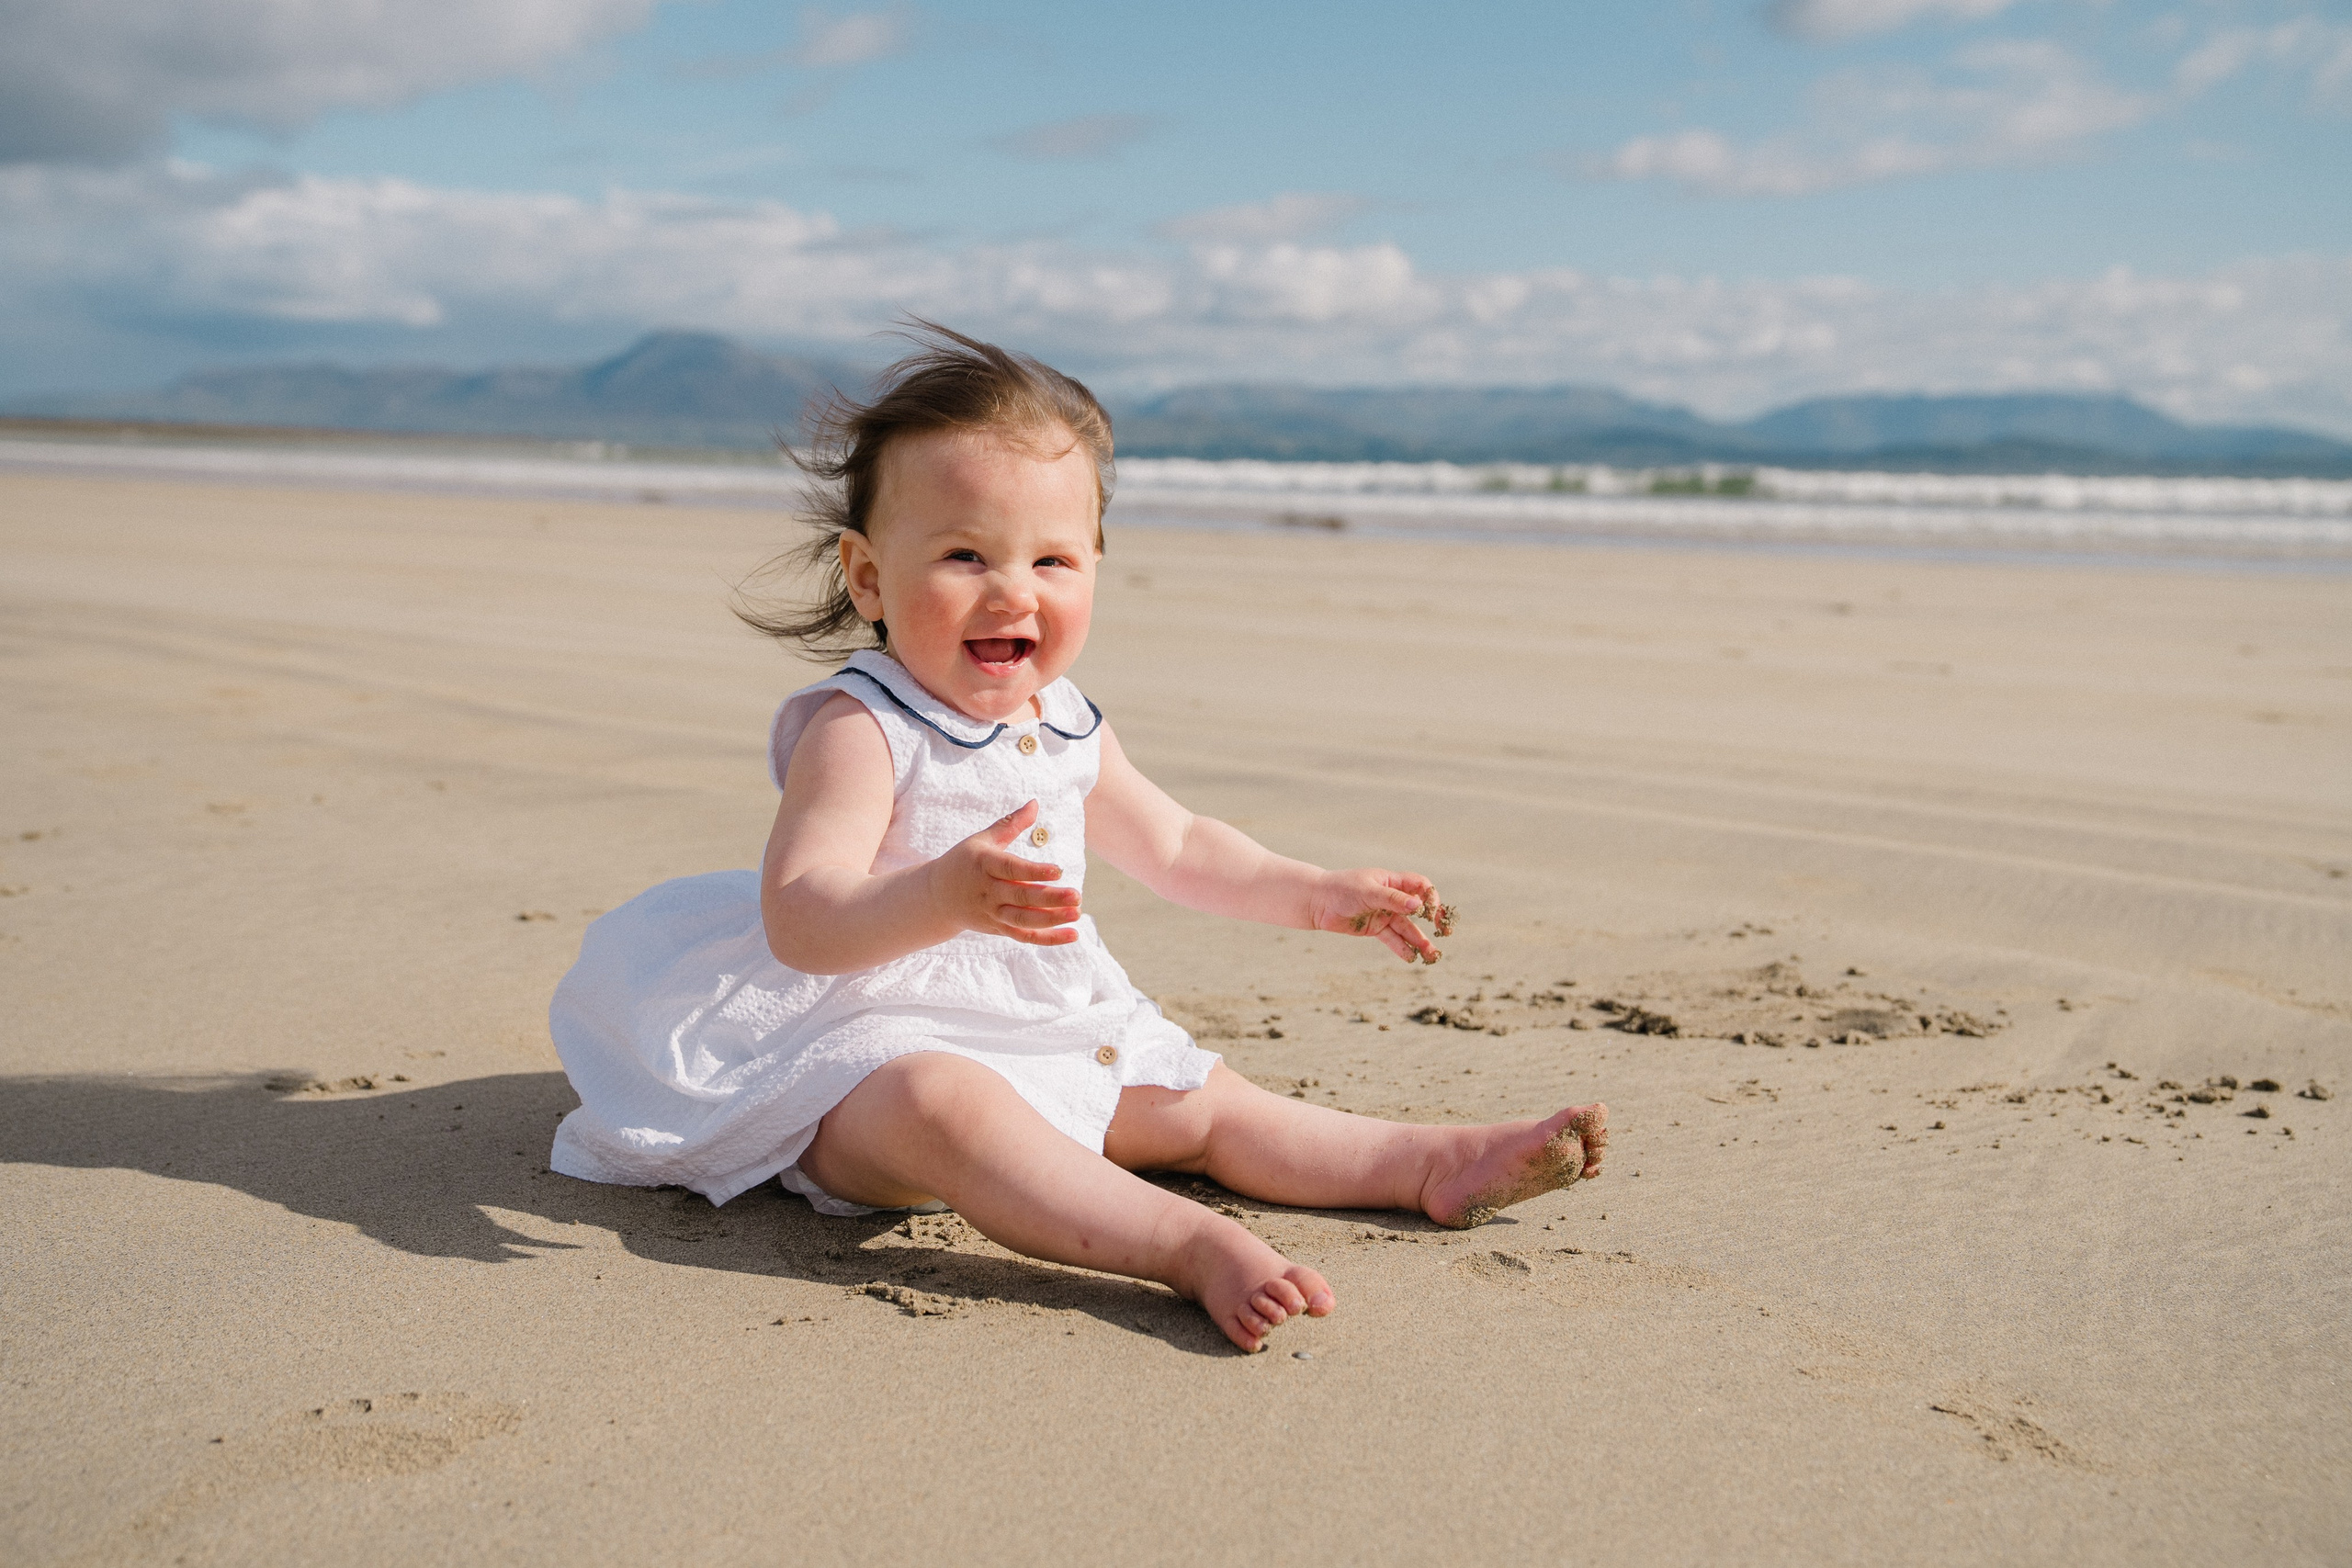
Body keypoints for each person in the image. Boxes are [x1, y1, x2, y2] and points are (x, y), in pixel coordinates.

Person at [548, 324, 1607, 1352]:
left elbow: (1179, 846)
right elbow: (801, 918)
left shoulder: (1064, 721)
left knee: (1204, 1106)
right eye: (964, 554)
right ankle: (1184, 1244)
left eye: (1052, 558)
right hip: (860, 1049)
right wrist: (937, 897)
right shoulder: (862, 729)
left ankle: (1426, 1163)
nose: (1013, 590)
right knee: (946, 1107)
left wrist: (1316, 892)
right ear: (868, 577)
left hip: (1042, 1020)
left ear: (1094, 565)